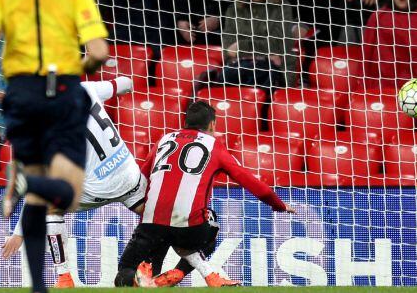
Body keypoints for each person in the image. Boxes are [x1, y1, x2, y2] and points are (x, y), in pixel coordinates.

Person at [0, 0, 110, 291]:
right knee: (68, 194)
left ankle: (38, 287)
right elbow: (100, 52)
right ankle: (26, 182)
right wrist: (82, 66)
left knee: (37, 192)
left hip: (21, 93)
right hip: (61, 91)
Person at [0, 77, 222, 288]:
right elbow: (123, 83)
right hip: (129, 178)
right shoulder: (85, 88)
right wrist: (131, 86)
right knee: (169, 220)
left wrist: (19, 233)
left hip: (95, 188)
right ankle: (208, 272)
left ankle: (64, 276)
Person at [114, 101, 296, 287]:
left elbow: (142, 177)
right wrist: (278, 204)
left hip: (152, 224)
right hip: (191, 230)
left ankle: (139, 279)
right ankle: (179, 271)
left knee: (126, 270)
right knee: (212, 223)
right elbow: (248, 179)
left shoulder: (164, 140)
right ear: (212, 125)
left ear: (185, 122)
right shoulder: (214, 145)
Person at [213, 0, 300, 89]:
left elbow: (278, 45)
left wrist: (241, 46)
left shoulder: (283, 7)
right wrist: (263, 54)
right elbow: (228, 49)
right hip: (240, 68)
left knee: (262, 78)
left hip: (277, 71)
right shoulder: (233, 9)